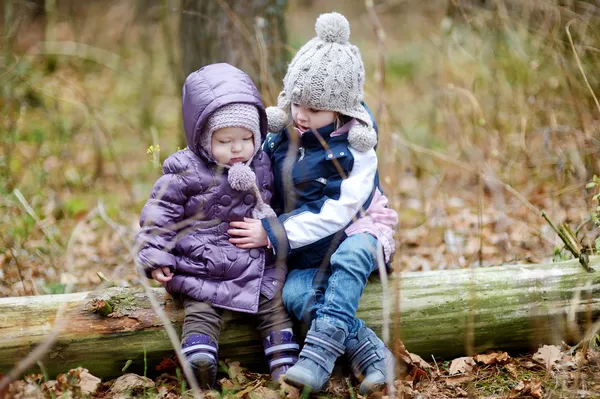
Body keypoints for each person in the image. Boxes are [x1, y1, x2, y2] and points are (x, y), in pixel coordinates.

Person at [227, 12, 399, 395]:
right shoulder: (283, 137)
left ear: (341, 110)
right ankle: (371, 353)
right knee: (296, 294)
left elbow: (339, 211)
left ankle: (317, 357)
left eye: (315, 109)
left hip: (358, 227)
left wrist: (273, 232)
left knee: (352, 255)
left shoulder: (358, 148)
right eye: (297, 104)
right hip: (308, 249)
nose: (301, 115)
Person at [135, 63, 299, 389]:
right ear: (202, 138)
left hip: (254, 257)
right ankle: (199, 357)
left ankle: (285, 365)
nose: (236, 148)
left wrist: (272, 235)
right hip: (203, 260)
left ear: (257, 136)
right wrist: (157, 257)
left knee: (273, 302)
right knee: (200, 306)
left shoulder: (263, 164)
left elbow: (280, 209)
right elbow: (159, 213)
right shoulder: (185, 169)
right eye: (224, 141)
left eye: (245, 138)